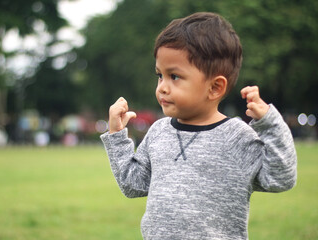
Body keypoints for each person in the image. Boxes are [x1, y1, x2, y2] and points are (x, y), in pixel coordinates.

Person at [100, 12, 297, 240]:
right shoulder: (159, 132)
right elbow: (132, 184)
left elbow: (281, 178)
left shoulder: (235, 137)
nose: (162, 87)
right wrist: (116, 135)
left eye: (174, 76)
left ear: (214, 88)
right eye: (159, 75)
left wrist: (270, 124)